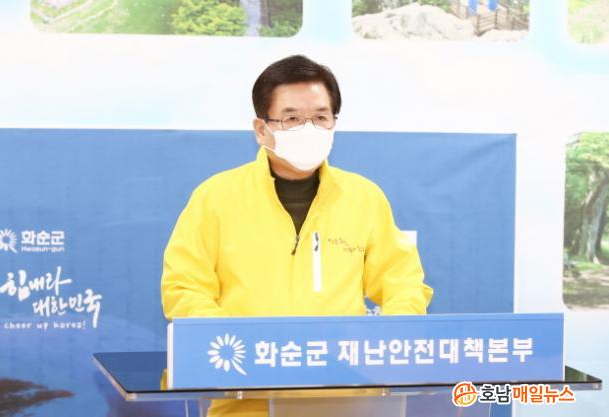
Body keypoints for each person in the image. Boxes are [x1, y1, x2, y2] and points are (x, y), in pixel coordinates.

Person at [161, 55, 433, 417]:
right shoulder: (216, 197)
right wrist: (239, 350)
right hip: (247, 400)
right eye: (291, 119)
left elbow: (404, 284)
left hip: (347, 400)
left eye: (321, 118)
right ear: (261, 129)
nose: (309, 130)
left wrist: (387, 341)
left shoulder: (364, 198)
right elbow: (184, 288)